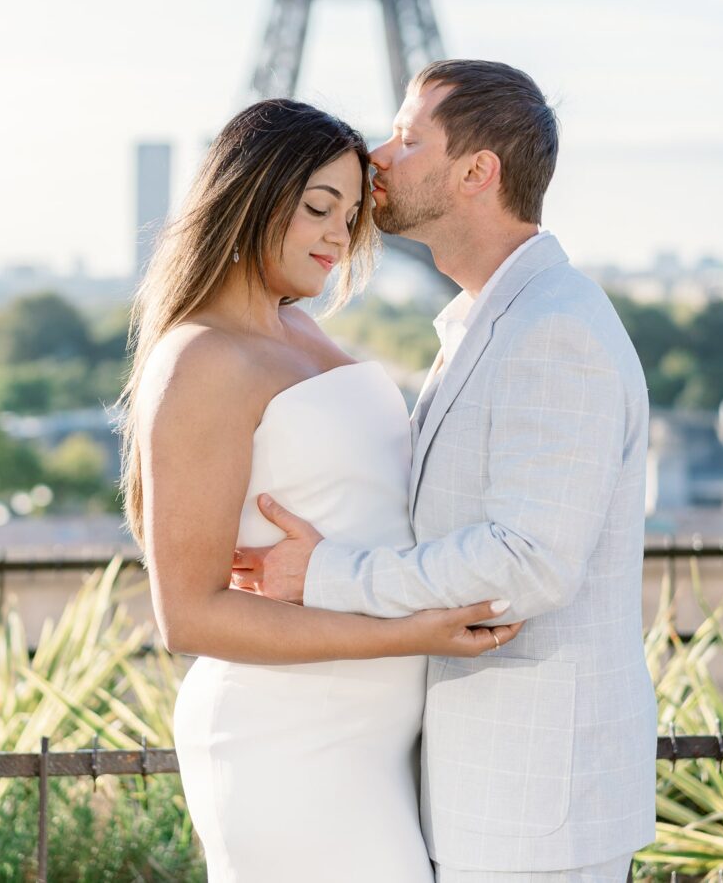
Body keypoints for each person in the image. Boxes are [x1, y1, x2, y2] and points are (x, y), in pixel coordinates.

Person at [233, 60, 658, 883]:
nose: (377, 156)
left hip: (532, 807)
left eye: (406, 136)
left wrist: (328, 573)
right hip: (492, 792)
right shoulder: (489, 319)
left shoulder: (551, 330)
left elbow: (525, 561)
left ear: (476, 172)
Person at [118, 97, 519, 883]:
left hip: (373, 742)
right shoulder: (203, 359)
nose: (340, 236)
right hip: (285, 745)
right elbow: (189, 614)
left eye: (350, 214)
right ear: (253, 194)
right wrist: (411, 632)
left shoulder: (299, 331)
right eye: (317, 208)